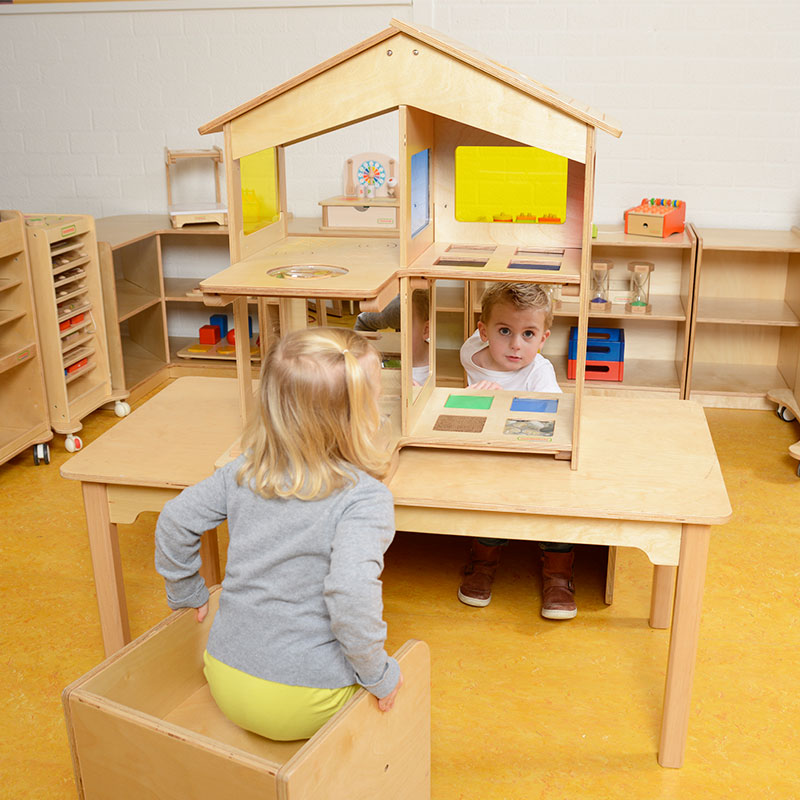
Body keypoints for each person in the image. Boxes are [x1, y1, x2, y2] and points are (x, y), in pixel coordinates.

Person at [155, 327, 402, 741]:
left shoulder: (242, 470)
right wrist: (378, 675)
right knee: (400, 679)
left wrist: (186, 591)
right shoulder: (365, 498)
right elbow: (350, 594)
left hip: (225, 678)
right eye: (376, 398)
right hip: (307, 701)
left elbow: (175, 519)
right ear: (360, 417)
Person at [457, 282, 577, 620]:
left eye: (528, 335)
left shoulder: (540, 371)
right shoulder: (471, 353)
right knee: (484, 493)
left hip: (533, 454)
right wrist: (474, 399)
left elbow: (554, 418)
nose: (515, 345)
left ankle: (558, 572)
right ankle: (484, 562)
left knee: (557, 496)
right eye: (504, 331)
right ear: (483, 332)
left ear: (543, 339)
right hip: (491, 450)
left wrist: (502, 403)